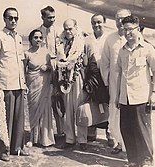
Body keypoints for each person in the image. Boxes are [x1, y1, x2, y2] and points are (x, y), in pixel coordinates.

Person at [116, 15, 155, 167]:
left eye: (130, 29)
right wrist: (117, 96)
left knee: (142, 131)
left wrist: (154, 93)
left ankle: (146, 161)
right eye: (124, 29)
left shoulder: (147, 49)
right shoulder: (122, 51)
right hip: (125, 97)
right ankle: (133, 160)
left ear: (138, 29)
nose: (127, 33)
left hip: (141, 96)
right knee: (127, 129)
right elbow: (120, 74)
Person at [0, 7, 28, 161]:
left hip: (19, 83)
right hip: (5, 83)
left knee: (19, 119)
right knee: (5, 119)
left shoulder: (18, 37)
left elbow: (21, 62)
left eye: (15, 18)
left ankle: (17, 148)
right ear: (4, 19)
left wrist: (24, 82)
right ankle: (3, 150)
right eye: (10, 18)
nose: (13, 21)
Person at [58, 19, 99, 150]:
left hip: (79, 79)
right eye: (66, 29)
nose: (68, 31)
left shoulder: (84, 41)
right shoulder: (61, 42)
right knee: (68, 109)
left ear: (76, 27)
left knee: (80, 109)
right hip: (65, 80)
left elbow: (92, 62)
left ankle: (82, 140)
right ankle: (70, 139)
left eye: (70, 28)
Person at [101, 9, 131, 154]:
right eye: (118, 18)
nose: (120, 21)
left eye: (123, 18)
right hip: (114, 83)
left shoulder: (133, 38)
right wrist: (107, 83)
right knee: (115, 112)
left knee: (129, 114)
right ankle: (119, 143)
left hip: (130, 85)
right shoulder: (110, 39)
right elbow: (105, 63)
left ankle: (130, 146)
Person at [85, 13, 113, 145]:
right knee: (92, 102)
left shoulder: (109, 38)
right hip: (93, 77)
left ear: (104, 22)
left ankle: (110, 134)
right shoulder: (88, 39)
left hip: (107, 75)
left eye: (99, 22)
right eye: (94, 23)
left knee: (108, 104)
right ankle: (91, 132)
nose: (96, 25)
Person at [37, 6, 65, 137]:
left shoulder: (60, 31)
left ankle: (62, 131)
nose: (52, 20)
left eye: (54, 17)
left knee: (58, 98)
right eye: (49, 17)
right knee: (44, 99)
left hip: (57, 66)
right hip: (43, 67)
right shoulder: (38, 32)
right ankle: (45, 133)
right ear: (42, 17)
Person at [24, 29, 55, 147]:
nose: (38, 40)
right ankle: (33, 138)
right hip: (32, 84)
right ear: (31, 39)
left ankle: (45, 139)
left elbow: (53, 67)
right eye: (35, 37)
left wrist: (47, 66)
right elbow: (23, 71)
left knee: (45, 110)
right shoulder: (27, 54)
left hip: (44, 84)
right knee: (33, 110)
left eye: (40, 38)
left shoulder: (46, 52)